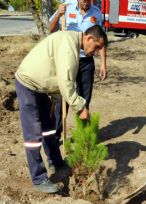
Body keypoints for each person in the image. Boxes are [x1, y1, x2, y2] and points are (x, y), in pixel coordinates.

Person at [15, 25, 107, 193]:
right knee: (33, 134)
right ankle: (39, 178)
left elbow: (59, 78)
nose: (96, 52)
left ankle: (56, 162)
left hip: (41, 88)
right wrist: (81, 107)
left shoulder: (72, 43)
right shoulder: (69, 48)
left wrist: (54, 101)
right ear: (88, 38)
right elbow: (66, 84)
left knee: (49, 128)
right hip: (28, 84)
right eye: (96, 47)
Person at [49, 0, 107, 142]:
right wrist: (57, 15)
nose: (86, 2)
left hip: (86, 62)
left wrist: (103, 64)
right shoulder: (66, 7)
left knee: (84, 99)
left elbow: (101, 40)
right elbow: (50, 30)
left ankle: (83, 136)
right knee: (63, 97)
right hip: (67, 59)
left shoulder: (97, 13)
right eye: (83, 0)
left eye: (88, 0)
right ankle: (56, 135)